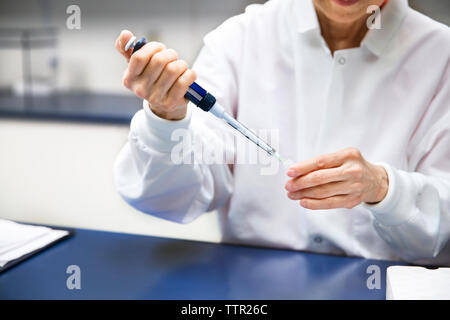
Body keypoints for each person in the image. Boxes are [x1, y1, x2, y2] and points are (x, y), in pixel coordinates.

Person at [113, 0, 450, 264]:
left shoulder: (440, 56)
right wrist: (167, 118)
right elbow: (169, 198)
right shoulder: (242, 37)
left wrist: (384, 189)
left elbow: (441, 231)